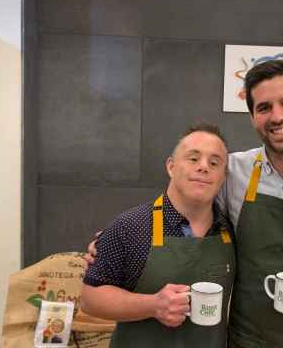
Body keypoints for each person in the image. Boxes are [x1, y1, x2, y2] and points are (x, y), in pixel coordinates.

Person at [85, 60, 283, 348]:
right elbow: (184, 202)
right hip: (244, 342)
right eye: (264, 107)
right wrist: (114, 242)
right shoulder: (233, 172)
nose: (277, 116)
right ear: (253, 117)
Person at [80, 123, 236, 348]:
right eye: (193, 159)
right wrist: (153, 305)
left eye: (214, 163)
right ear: (171, 167)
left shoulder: (230, 232)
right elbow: (90, 299)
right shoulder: (129, 227)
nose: (204, 167)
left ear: (223, 177)